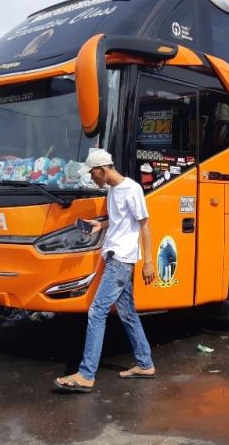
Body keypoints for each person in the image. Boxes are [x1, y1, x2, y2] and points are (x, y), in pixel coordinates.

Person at [54, 149, 156, 393]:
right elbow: (122, 220)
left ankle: (86, 374)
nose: (91, 178)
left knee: (97, 312)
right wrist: (100, 224)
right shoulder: (113, 190)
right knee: (128, 313)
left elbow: (144, 224)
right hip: (115, 256)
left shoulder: (131, 189)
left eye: (92, 173)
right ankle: (145, 363)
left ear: (102, 169)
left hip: (121, 260)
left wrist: (149, 261)